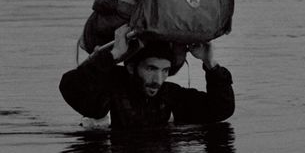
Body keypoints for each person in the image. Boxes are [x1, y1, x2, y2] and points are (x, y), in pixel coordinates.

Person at [60, 25, 234, 128]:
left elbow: (221, 109)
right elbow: (70, 86)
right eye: (151, 69)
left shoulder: (169, 96)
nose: (158, 80)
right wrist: (113, 55)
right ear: (131, 67)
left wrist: (211, 64)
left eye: (165, 71)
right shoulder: (108, 93)